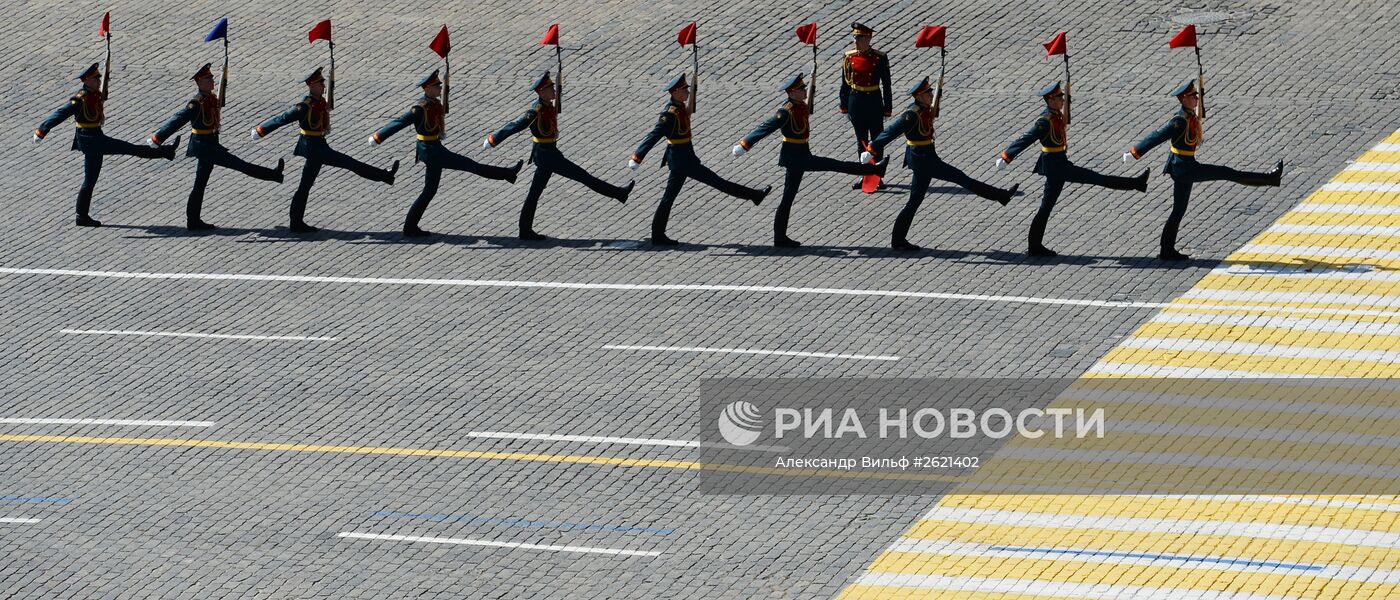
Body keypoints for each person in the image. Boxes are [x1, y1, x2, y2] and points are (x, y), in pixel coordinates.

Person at [1125, 80, 1283, 260]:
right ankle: (1270, 179)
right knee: (1226, 173)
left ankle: (1166, 251)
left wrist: (1202, 89)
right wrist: (1135, 152)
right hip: (1185, 168)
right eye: (1193, 96)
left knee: (1178, 210)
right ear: (1184, 100)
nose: (1197, 98)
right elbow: (1156, 136)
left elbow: (1200, 113)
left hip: (1184, 167)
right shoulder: (1179, 122)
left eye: (1197, 95)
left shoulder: (1190, 115)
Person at [734, 73, 887, 247]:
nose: (805, 90)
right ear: (792, 92)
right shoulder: (785, 112)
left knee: (788, 197)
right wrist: (745, 144)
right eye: (802, 89)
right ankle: (875, 170)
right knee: (835, 165)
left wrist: (812, 86)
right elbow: (765, 128)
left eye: (805, 88)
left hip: (801, 154)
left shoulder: (800, 106)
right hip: (795, 157)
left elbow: (808, 110)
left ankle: (779, 237)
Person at [864, 77, 1018, 251]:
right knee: (961, 178)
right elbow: (890, 132)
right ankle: (1001, 196)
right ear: (919, 96)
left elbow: (934, 111)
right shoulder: (911, 115)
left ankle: (898, 240)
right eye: (928, 93)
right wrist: (872, 148)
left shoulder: (924, 109)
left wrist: (940, 87)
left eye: (931, 92)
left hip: (927, 156)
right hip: (922, 159)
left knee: (914, 200)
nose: (931, 95)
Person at [998, 82, 1148, 257]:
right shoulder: (1044, 122)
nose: (1062, 100)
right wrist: (1007, 156)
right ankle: (1136, 183)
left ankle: (1034, 246)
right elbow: (1026, 139)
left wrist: (1067, 96)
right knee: (1096, 178)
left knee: (1046, 207)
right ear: (1050, 100)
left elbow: (1064, 121)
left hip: (1059, 162)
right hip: (1056, 166)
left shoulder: (1056, 115)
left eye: (1062, 97)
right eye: (1059, 97)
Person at [371, 70, 522, 237]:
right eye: (437, 87)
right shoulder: (418, 109)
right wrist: (378, 137)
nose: (440, 89)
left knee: (430, 190)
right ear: (427, 89)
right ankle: (507, 173)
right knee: (471, 166)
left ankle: (410, 227)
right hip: (431, 152)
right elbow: (399, 123)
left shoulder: (435, 104)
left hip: (435, 148)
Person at [485, 71, 633, 241]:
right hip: (546, 155)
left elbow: (556, 106)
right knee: (584, 177)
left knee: (534, 192)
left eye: (553, 87)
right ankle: (619, 193)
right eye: (550, 88)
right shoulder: (535, 111)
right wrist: (494, 138)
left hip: (548, 153)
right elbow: (515, 125)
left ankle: (524, 230)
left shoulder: (548, 105)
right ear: (541, 92)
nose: (554, 90)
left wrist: (559, 83)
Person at [630, 74, 770, 245]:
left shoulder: (680, 106)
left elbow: (690, 109)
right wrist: (638, 157)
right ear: (675, 93)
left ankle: (657, 235)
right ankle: (754, 195)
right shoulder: (669, 115)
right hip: (682, 162)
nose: (687, 92)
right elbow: (653, 135)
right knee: (718, 182)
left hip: (684, 159)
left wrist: (694, 86)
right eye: (684, 90)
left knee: (669, 197)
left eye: (688, 89)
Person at [253, 67, 398, 232]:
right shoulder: (304, 106)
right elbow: (282, 118)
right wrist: (261, 130)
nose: (324, 85)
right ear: (311, 85)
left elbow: (325, 112)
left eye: (323, 82)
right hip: (312, 147)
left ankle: (296, 222)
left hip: (319, 144)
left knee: (305, 185)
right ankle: (385, 175)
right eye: (321, 83)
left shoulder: (319, 101)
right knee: (349, 163)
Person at [34, 63, 177, 227]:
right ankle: (165, 151)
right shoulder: (79, 100)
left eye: (99, 78)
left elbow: (103, 95)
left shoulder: (95, 94)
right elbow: (59, 114)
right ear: (87, 80)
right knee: (130, 148)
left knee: (90, 179)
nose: (98, 81)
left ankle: (81, 216)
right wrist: (42, 130)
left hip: (96, 137)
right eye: (96, 78)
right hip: (91, 140)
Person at [150, 63, 284, 230]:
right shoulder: (196, 103)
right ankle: (274, 174)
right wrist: (158, 137)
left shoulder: (210, 99)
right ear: (199, 82)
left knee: (200, 183)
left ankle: (193, 220)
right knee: (239, 164)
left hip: (211, 144)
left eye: (212, 78)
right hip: (203, 146)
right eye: (209, 79)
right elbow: (178, 120)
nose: (212, 81)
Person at [839, 22, 892, 189]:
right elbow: (845, 83)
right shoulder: (849, 57)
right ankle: (864, 174)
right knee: (860, 139)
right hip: (856, 101)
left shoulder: (879, 58)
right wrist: (844, 104)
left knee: (877, 139)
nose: (856, 41)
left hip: (874, 101)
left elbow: (887, 84)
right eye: (855, 38)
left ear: (869, 38)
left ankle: (877, 175)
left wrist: (887, 107)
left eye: (859, 38)